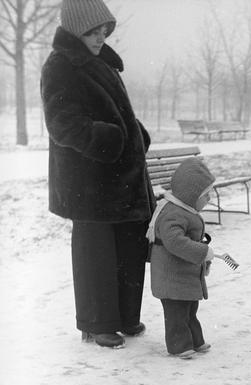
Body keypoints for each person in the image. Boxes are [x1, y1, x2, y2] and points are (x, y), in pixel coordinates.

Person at [40, 0, 155, 349]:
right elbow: (62, 123)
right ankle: (96, 323)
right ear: (76, 31)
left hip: (120, 176)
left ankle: (123, 317)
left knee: (128, 248)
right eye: (92, 32)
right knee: (96, 254)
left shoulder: (101, 63)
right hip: (89, 180)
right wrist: (109, 139)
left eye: (103, 30)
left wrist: (136, 134)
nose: (100, 37)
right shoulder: (61, 65)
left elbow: (116, 112)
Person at [147, 157, 215, 359]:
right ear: (191, 195)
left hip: (182, 276)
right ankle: (179, 345)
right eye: (206, 194)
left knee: (189, 309)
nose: (209, 198)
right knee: (177, 313)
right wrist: (202, 252)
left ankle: (195, 341)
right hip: (171, 277)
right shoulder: (172, 214)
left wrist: (204, 259)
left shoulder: (184, 209)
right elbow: (175, 242)